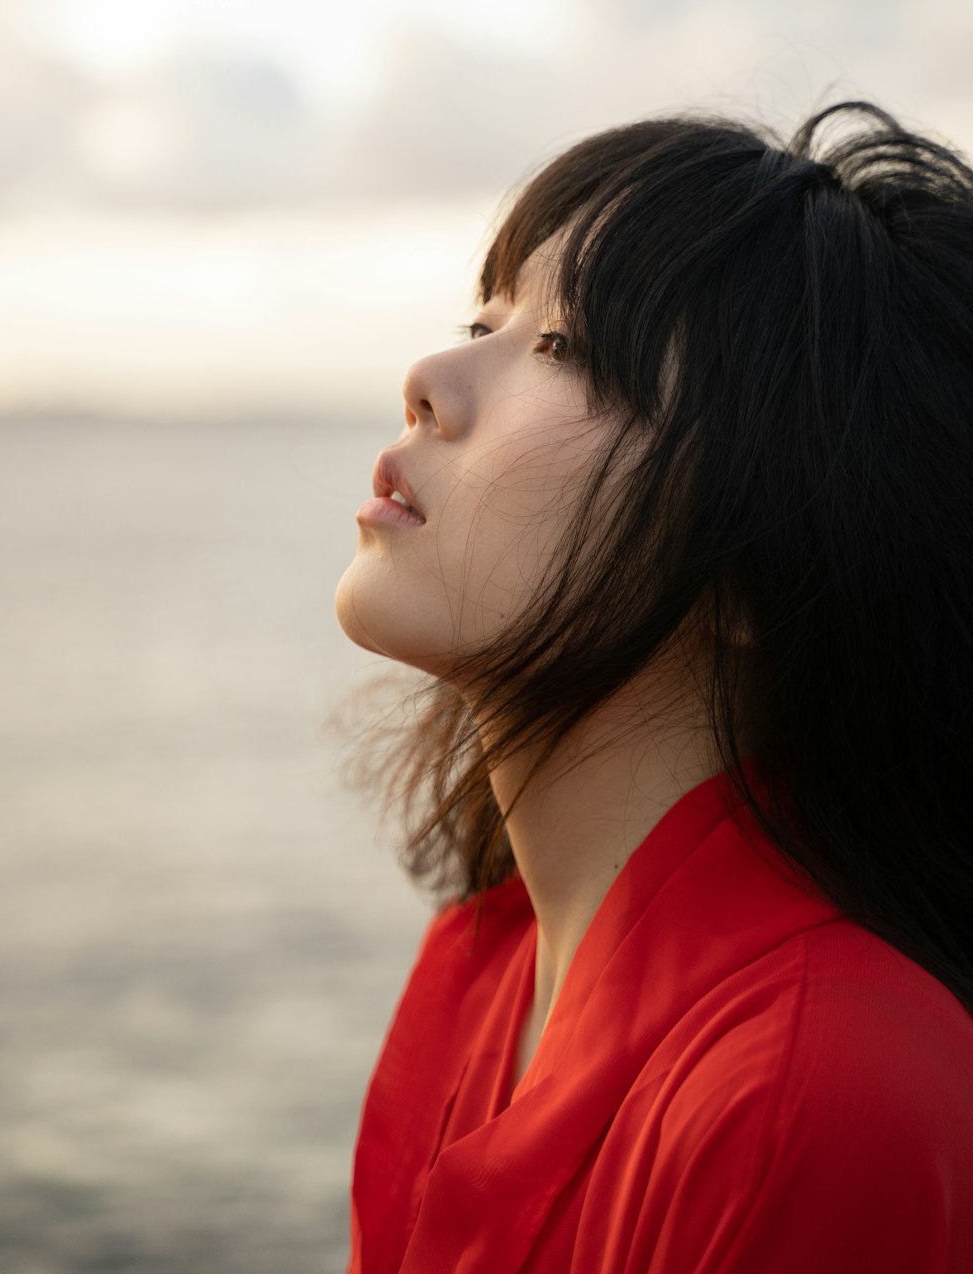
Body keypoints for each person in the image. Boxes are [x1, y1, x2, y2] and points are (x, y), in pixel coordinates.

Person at [333, 99, 973, 1273]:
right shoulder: (484, 969)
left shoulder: (815, 1093)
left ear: (748, 563)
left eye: (566, 348)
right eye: (483, 316)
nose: (428, 377)